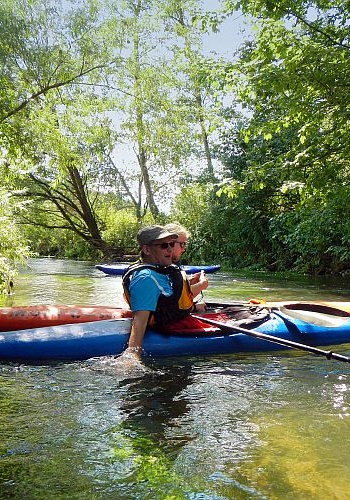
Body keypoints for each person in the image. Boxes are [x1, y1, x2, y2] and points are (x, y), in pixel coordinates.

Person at [121, 224, 196, 361]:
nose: (169, 249)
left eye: (171, 244)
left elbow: (170, 297)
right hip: (169, 330)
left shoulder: (162, 269)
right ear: (147, 250)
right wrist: (132, 358)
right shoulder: (145, 278)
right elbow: (139, 324)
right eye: (163, 245)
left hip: (178, 320)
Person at [164, 222, 208, 304]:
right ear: (170, 242)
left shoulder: (170, 267)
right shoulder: (159, 268)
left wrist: (188, 282)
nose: (183, 249)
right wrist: (202, 284)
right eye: (182, 244)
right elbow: (174, 302)